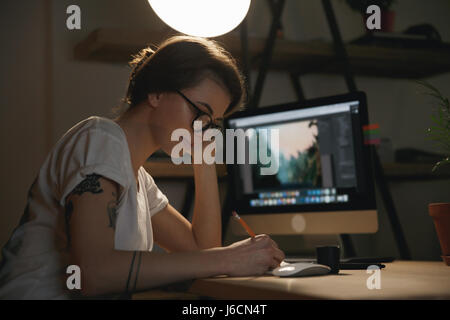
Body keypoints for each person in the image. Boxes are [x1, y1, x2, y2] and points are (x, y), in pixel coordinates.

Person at [0, 35, 284, 299]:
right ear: (157, 92)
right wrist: (229, 258)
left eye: (212, 124)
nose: (204, 131)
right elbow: (92, 273)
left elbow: (201, 252)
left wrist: (203, 161)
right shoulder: (99, 139)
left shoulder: (139, 180)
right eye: (200, 113)